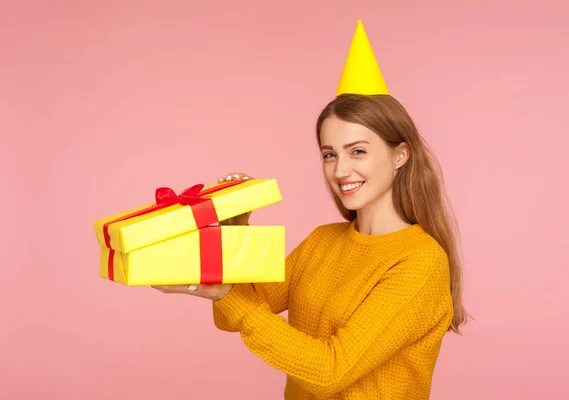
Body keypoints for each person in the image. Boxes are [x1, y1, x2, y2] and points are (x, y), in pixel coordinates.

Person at [153, 20, 467, 399]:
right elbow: (236, 313)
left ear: (400, 155)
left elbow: (330, 370)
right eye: (329, 154)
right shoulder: (322, 242)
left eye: (358, 151)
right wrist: (234, 227)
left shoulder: (420, 262)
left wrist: (224, 295)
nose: (340, 170)